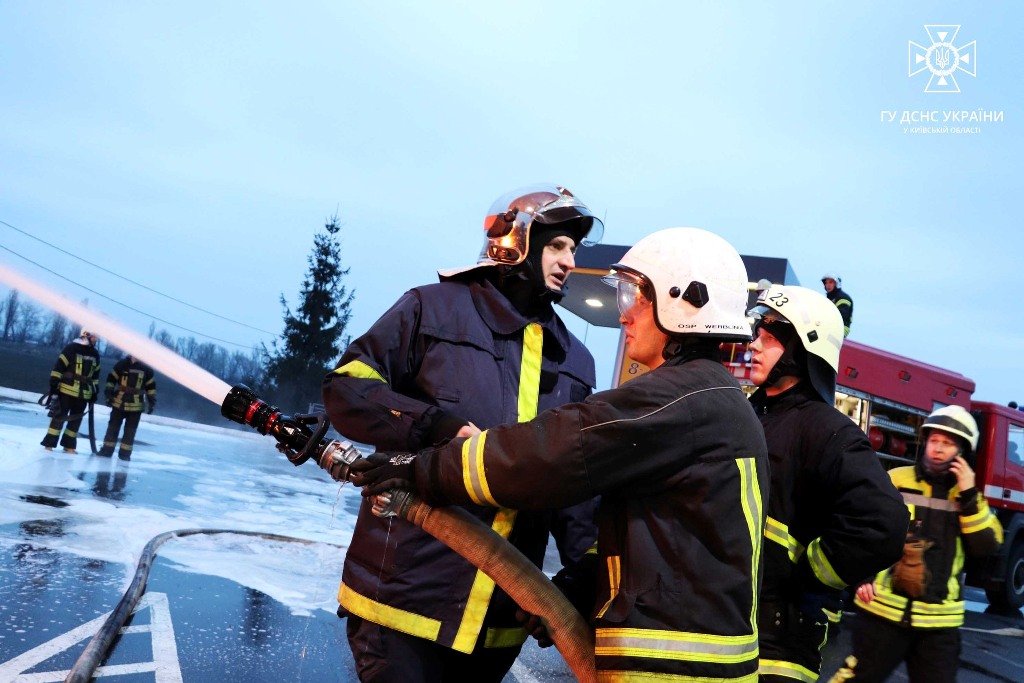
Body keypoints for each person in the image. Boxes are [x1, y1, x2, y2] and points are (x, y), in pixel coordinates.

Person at [344, 227, 771, 681]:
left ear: (682, 300)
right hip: (692, 662)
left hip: (669, 667)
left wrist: (423, 468)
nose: (625, 315)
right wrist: (578, 586)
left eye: (635, 296)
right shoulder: (714, 400)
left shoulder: (677, 399)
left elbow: (554, 452)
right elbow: (660, 534)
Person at [321, 184, 604, 682]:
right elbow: (347, 387)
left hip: (499, 623)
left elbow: (574, 485)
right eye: (557, 246)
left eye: (573, 249)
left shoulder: (575, 362)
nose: (569, 261)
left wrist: (579, 576)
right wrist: (433, 426)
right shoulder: (431, 309)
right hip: (402, 600)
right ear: (515, 240)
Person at [746, 285, 908, 682]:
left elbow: (883, 524)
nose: (753, 346)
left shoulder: (828, 430)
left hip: (778, 647)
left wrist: (811, 573)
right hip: (732, 626)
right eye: (756, 335)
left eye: (767, 340)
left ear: (803, 351)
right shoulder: (749, 415)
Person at [835, 405, 1003, 682]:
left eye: (948, 444)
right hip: (882, 614)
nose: (937, 449)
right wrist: (862, 576)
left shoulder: (969, 496)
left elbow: (987, 547)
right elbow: (862, 528)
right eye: (934, 440)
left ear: (963, 452)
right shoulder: (895, 480)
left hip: (939, 626)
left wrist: (969, 496)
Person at [41, 329, 101, 454]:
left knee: (76, 420)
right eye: (95, 336)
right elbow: (58, 368)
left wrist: (94, 391)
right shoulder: (71, 348)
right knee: (59, 417)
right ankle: (49, 444)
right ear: (87, 335)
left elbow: (95, 376)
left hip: (84, 393)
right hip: (66, 390)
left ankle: (69, 445)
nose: (97, 339)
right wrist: (54, 385)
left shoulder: (95, 354)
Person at [98, 354, 156, 460]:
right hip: (119, 402)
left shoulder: (147, 369)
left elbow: (151, 388)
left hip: (136, 406)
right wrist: (108, 395)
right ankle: (107, 451)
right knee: (113, 428)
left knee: (130, 431)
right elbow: (111, 380)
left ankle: (125, 455)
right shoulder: (121, 364)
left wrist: (151, 403)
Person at [821, 273, 853, 337]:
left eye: (831, 282)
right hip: (830, 326)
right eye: (826, 283)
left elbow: (841, 315)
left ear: (837, 284)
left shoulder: (843, 297)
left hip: (841, 328)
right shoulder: (830, 298)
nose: (828, 285)